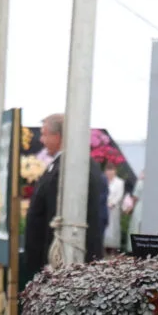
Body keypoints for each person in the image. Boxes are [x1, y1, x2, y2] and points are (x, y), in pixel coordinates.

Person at [18, 112, 107, 285]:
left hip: (61, 266)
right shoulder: (60, 166)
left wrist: (50, 262)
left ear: (57, 136)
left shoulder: (71, 168)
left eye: (44, 134)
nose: (41, 140)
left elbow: (56, 218)